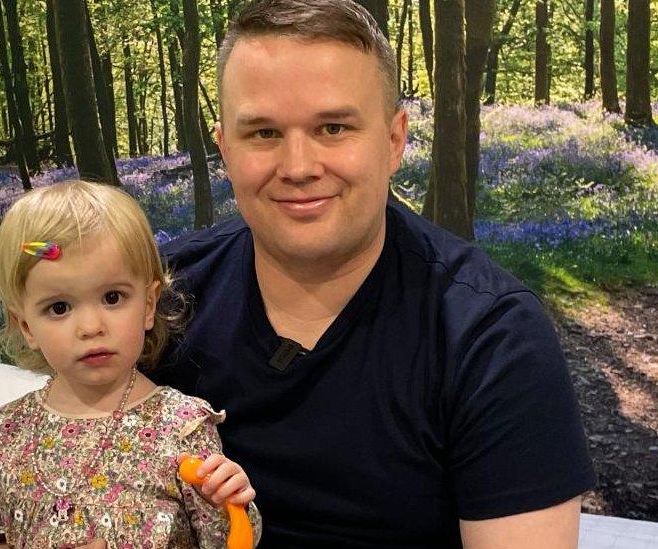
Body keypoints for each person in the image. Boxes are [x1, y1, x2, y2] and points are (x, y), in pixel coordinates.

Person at [151, 1, 595, 547]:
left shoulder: (490, 337)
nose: (297, 167)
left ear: (393, 140)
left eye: (333, 127)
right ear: (224, 147)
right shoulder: (164, 299)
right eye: (263, 134)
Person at [0, 181, 261, 548]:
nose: (91, 327)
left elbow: (227, 541)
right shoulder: (4, 435)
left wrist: (228, 503)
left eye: (113, 298)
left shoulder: (182, 429)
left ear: (149, 305)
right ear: (26, 327)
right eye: (59, 308)